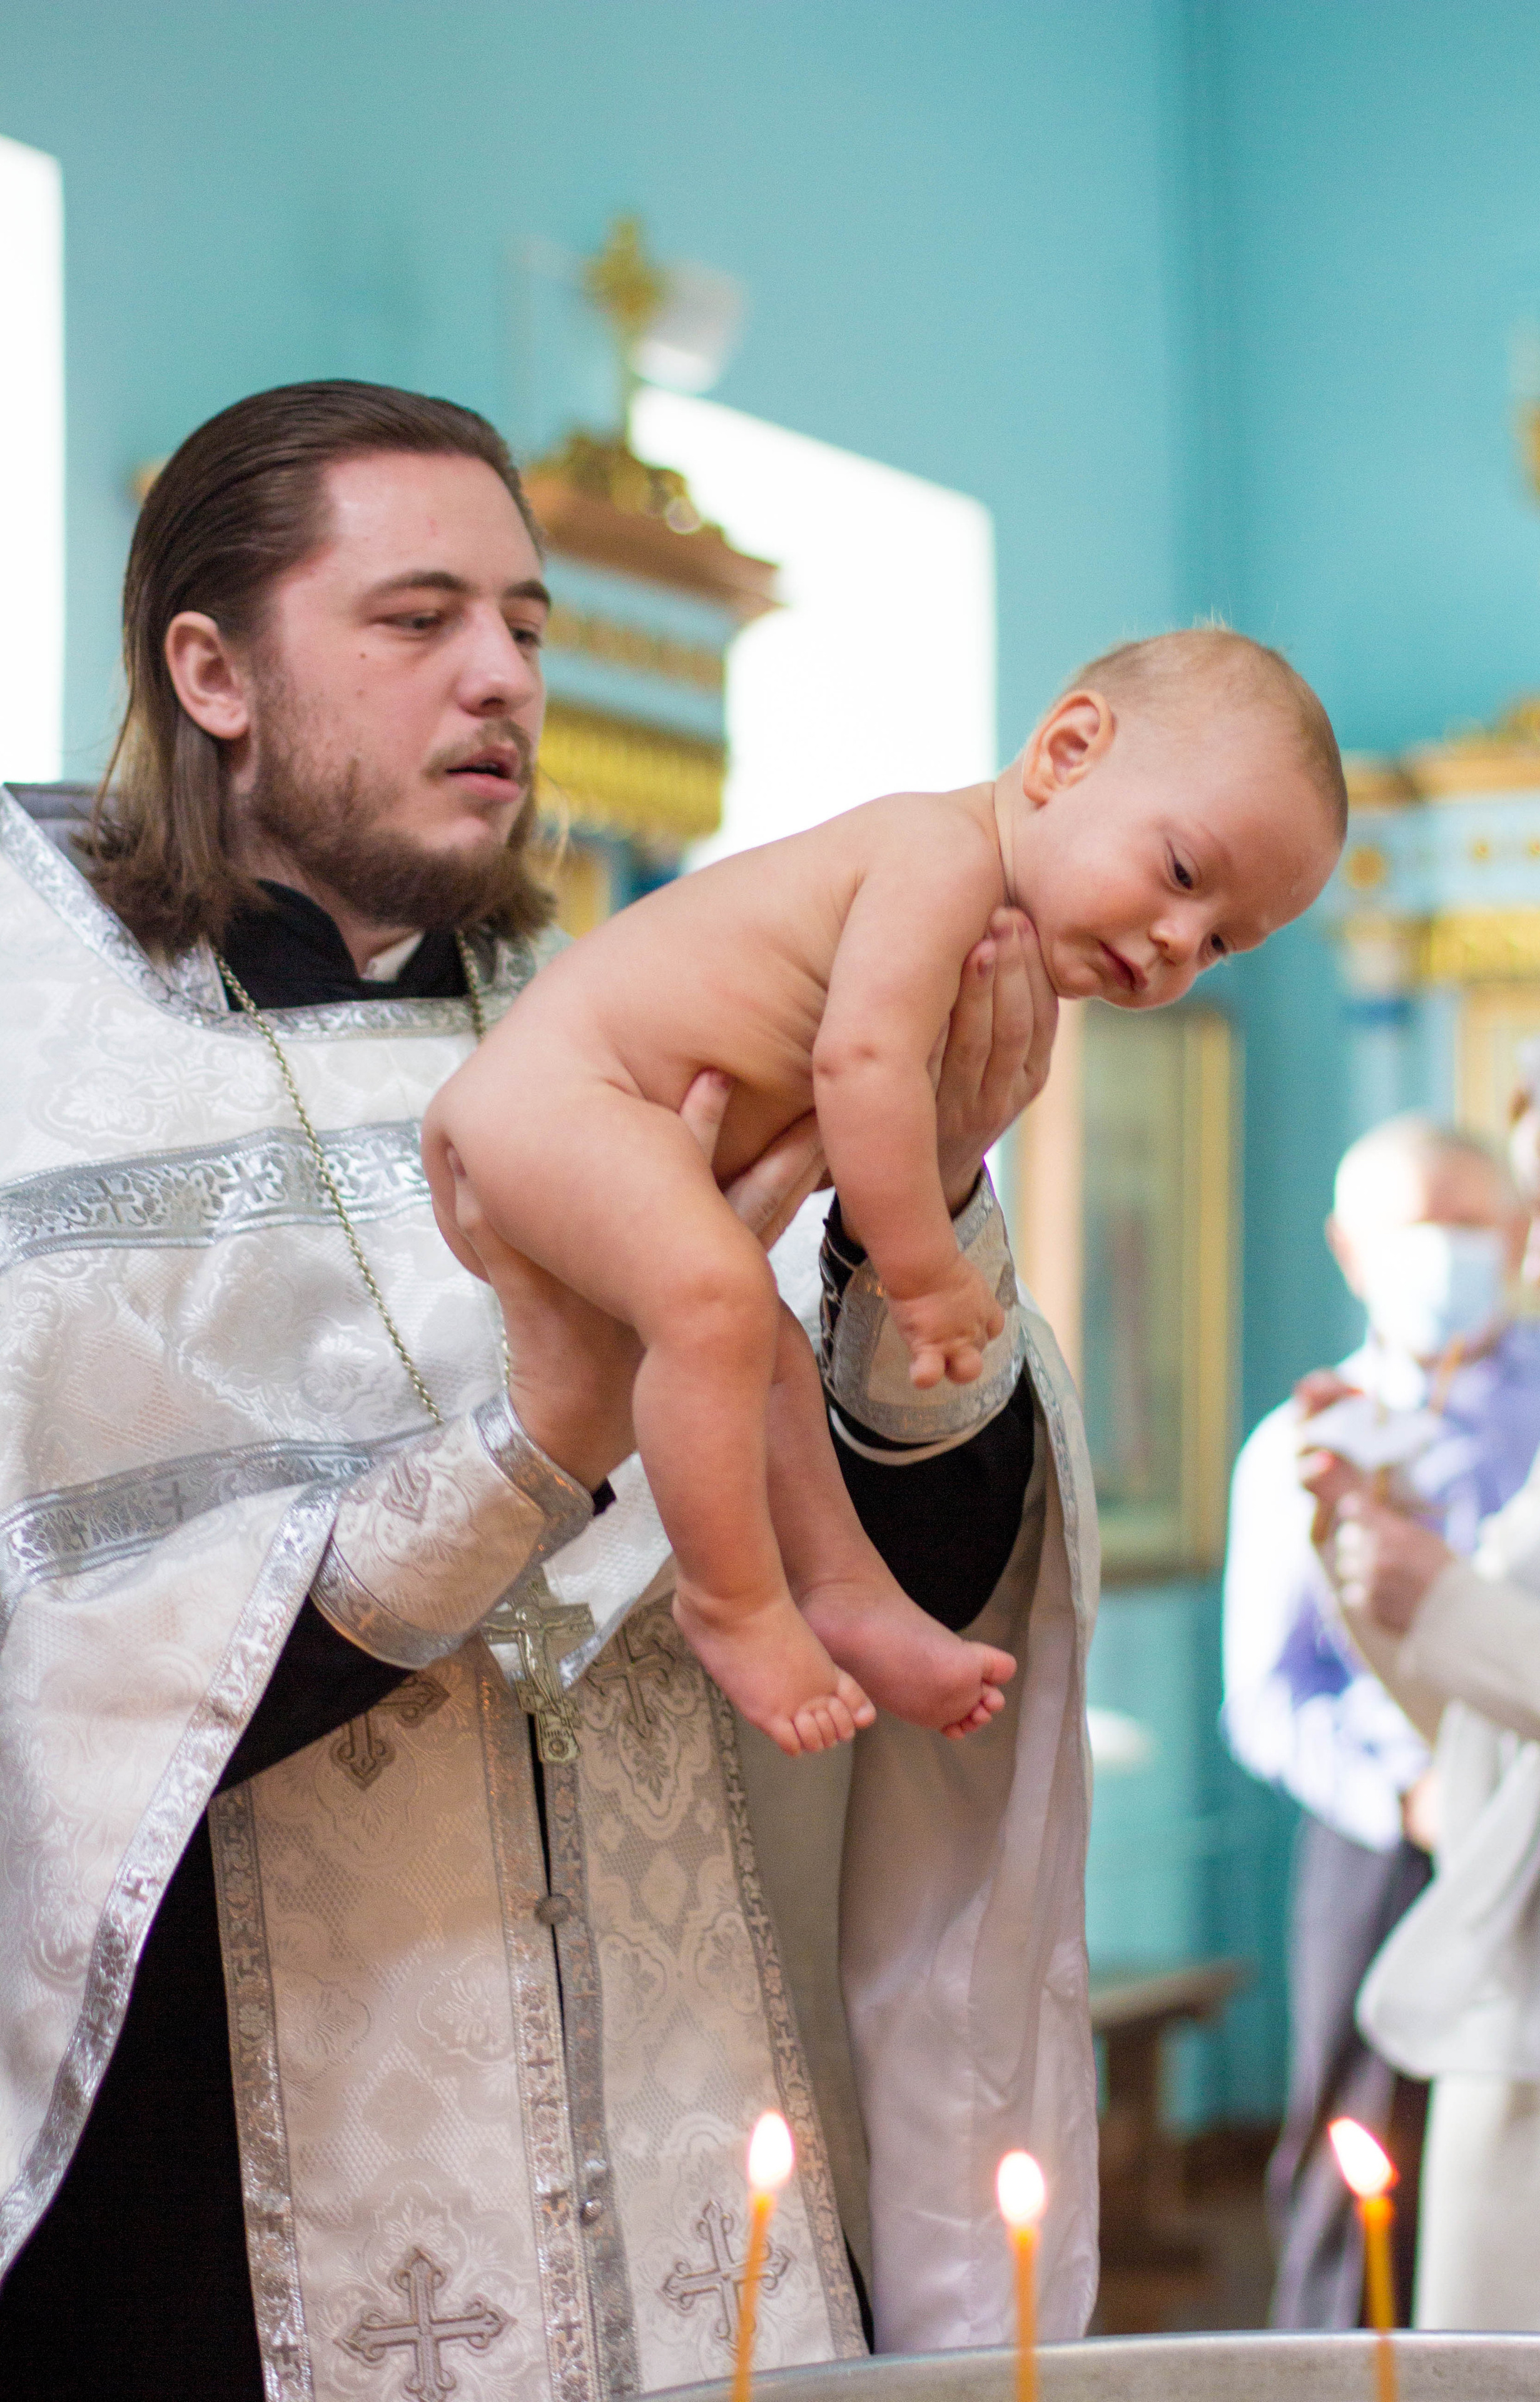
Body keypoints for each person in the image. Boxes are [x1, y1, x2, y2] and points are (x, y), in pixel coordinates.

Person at [0, 381, 1098, 2397]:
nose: (503, 674)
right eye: (419, 621)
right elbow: (62, 1704)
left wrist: (916, 1205)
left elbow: (930, 1582)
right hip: (204, 2224)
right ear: (211, 669)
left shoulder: (625, 1030)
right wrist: (529, 1449)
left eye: (525, 624)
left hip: (683, 2163)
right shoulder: (36, 1064)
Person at [430, 629, 1345, 1757]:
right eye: (1185, 876)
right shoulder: (941, 854)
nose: (1176, 943)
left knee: (752, 1341)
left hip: (597, 1129)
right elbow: (857, 1068)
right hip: (553, 1100)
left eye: (1220, 946)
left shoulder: (1004, 942)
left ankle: (845, 1589)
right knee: (719, 1302)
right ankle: (731, 1601)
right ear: (1066, 750)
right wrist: (922, 1271)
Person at [1222, 1113, 1540, 2328]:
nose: (1441, 1257)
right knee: (1349, 2138)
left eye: (1468, 1228)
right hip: (1381, 1840)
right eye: (1410, 1232)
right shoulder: (1302, 1442)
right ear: (1346, 1246)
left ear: (1528, 1230)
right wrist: (1400, 1797)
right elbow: (1270, 1695)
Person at [1322, 1026, 1540, 2330]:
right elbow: (1489, 1720)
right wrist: (1369, 1558)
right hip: (1535, 1977)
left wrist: (1442, 1598)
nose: (1536, 1257)